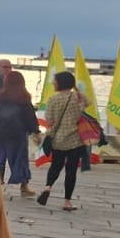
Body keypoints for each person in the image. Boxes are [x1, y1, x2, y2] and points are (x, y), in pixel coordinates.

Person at [0, 70, 40, 198]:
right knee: (20, 160)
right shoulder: (24, 98)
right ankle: (24, 187)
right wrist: (36, 132)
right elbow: (30, 117)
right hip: (17, 134)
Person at [36, 71, 84, 210]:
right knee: (71, 171)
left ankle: (48, 187)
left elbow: (49, 121)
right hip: (75, 140)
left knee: (55, 166)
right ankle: (67, 202)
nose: (53, 83)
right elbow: (88, 103)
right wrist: (77, 90)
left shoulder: (53, 99)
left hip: (58, 139)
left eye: (55, 81)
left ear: (60, 83)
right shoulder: (77, 97)